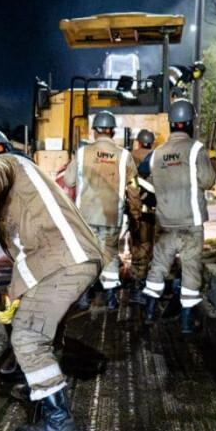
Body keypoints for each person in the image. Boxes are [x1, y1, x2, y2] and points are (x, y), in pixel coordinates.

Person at [0, 128, 104, 431]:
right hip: (67, 260)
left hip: (64, 261)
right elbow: (27, 252)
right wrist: (13, 297)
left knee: (27, 337)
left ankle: (58, 421)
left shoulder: (1, 163)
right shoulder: (25, 176)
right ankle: (41, 385)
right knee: (41, 332)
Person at [141, 101, 216, 334]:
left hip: (165, 223)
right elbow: (207, 181)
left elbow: (147, 182)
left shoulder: (156, 155)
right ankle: (185, 323)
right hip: (190, 223)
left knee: (159, 267)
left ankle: (149, 312)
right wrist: (212, 165)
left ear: (171, 124)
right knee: (191, 270)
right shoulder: (196, 149)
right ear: (190, 124)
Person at [63, 110, 139, 310]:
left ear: (95, 131)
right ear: (112, 131)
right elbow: (133, 188)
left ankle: (85, 297)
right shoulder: (124, 156)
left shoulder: (81, 153)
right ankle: (112, 298)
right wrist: (136, 212)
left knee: (87, 255)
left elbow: (69, 180)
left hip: (85, 216)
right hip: (111, 216)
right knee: (110, 255)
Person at [128, 129, 158, 305]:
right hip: (159, 211)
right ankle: (156, 286)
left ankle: (138, 288)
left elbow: (131, 184)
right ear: (151, 142)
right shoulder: (158, 155)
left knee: (140, 248)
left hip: (141, 211)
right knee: (157, 250)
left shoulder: (131, 157)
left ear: (138, 142)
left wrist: (134, 211)